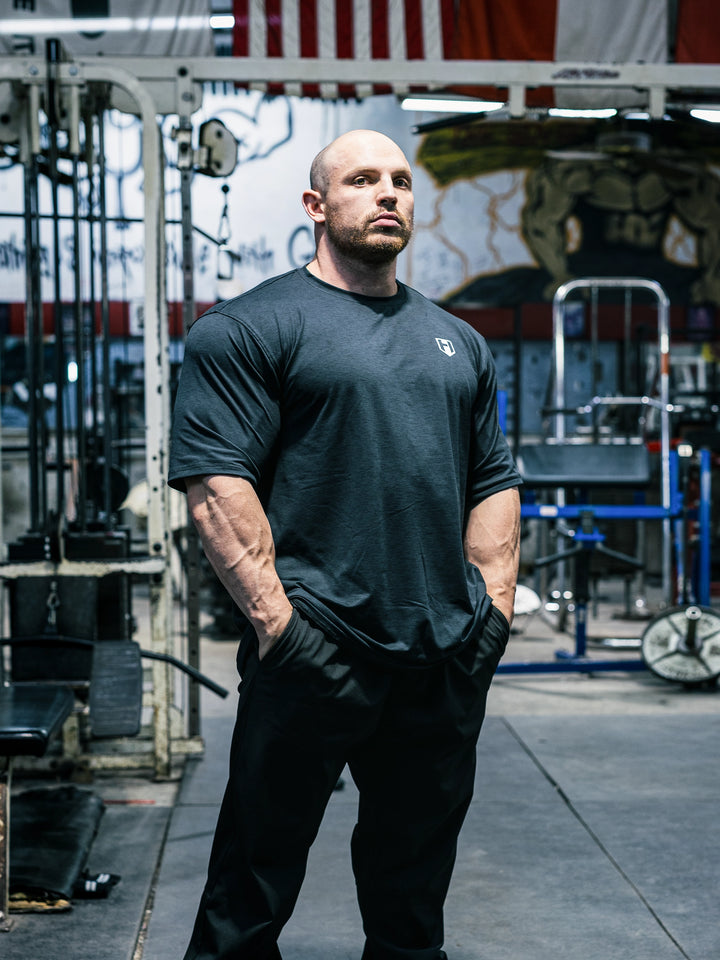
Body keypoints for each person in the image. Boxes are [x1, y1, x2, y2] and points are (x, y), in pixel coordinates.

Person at [168, 128, 522, 960]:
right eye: (363, 179)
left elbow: (493, 484)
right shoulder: (251, 328)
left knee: (414, 893)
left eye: (400, 179)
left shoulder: (458, 342)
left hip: (441, 655)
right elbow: (217, 486)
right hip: (316, 648)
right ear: (317, 206)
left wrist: (491, 621)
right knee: (250, 887)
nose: (388, 193)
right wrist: (281, 630)